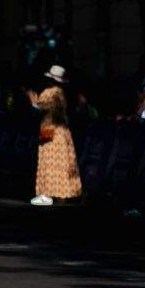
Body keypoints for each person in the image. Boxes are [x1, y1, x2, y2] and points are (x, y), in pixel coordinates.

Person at [29, 66, 83, 207]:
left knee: (47, 158)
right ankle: (62, 194)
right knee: (62, 160)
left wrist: (32, 99)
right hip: (61, 130)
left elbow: (38, 107)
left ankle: (46, 194)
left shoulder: (50, 92)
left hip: (49, 128)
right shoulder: (62, 92)